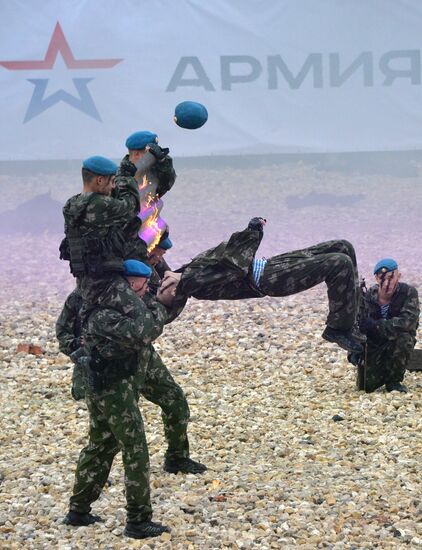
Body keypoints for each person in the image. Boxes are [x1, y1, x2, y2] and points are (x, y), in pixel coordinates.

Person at [56, 265, 206, 475]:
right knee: (108, 432)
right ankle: (94, 478)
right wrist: (81, 348)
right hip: (110, 368)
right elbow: (63, 333)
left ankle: (177, 457)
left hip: (144, 358)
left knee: (175, 401)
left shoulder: (146, 285)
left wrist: (172, 296)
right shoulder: (86, 295)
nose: (157, 257)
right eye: (157, 253)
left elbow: (160, 318)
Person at [158, 217, 365, 353]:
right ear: (176, 290)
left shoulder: (189, 270)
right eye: (165, 286)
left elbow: (225, 253)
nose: (164, 281)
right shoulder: (193, 282)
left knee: (343, 246)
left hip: (271, 264)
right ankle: (338, 328)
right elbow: (234, 267)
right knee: (339, 262)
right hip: (271, 279)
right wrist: (252, 233)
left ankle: (352, 319)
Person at [61, 155, 143, 304]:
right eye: (112, 181)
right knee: (142, 313)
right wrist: (126, 178)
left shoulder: (72, 204)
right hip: (105, 282)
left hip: (84, 278)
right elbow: (131, 207)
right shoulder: (100, 204)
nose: (113, 186)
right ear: (99, 180)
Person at [352, 258, 419, 393]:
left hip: (397, 342)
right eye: (382, 278)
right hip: (375, 344)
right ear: (376, 278)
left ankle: (394, 381)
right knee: (367, 386)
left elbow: (407, 323)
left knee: (405, 338)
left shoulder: (408, 293)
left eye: (391, 277)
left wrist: (376, 325)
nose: (387, 283)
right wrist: (353, 350)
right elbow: (356, 326)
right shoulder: (368, 296)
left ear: (398, 276)